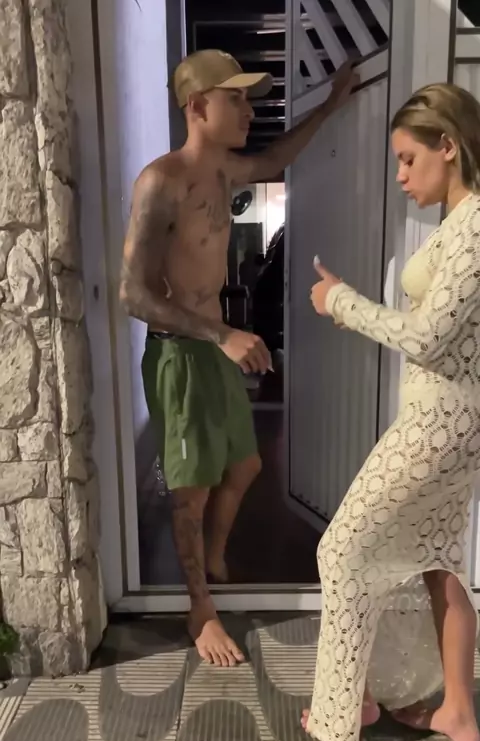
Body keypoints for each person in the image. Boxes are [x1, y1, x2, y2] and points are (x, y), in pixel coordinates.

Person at [120, 50, 357, 667]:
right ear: (198, 107)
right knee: (190, 491)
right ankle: (200, 610)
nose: (250, 111)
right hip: (179, 355)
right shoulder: (160, 181)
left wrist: (332, 104)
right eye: (237, 99)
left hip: (213, 345)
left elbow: (276, 159)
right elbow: (133, 294)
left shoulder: (225, 170)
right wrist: (220, 333)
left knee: (247, 464)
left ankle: (215, 558)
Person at [301, 82, 480, 741]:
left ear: (449, 146)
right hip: (449, 422)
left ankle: (340, 714)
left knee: (342, 549)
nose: (401, 175)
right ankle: (457, 710)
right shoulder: (458, 225)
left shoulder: (475, 226)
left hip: (440, 426)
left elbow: (428, 339)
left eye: (409, 159)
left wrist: (341, 302)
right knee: (438, 560)